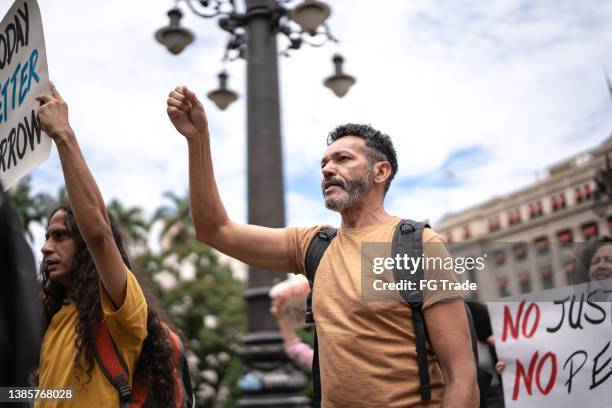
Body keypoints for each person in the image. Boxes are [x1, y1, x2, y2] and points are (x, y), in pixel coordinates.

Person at [166, 85, 478, 407]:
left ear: (380, 172)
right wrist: (197, 139)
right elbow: (215, 230)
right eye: (324, 163)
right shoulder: (314, 246)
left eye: (343, 159)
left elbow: (461, 375)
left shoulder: (419, 244)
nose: (327, 169)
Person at [34, 84, 178, 407]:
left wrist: (64, 136)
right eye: (46, 236)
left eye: (60, 236)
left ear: (83, 247)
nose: (45, 248)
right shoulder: (55, 320)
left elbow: (99, 232)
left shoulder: (119, 311)